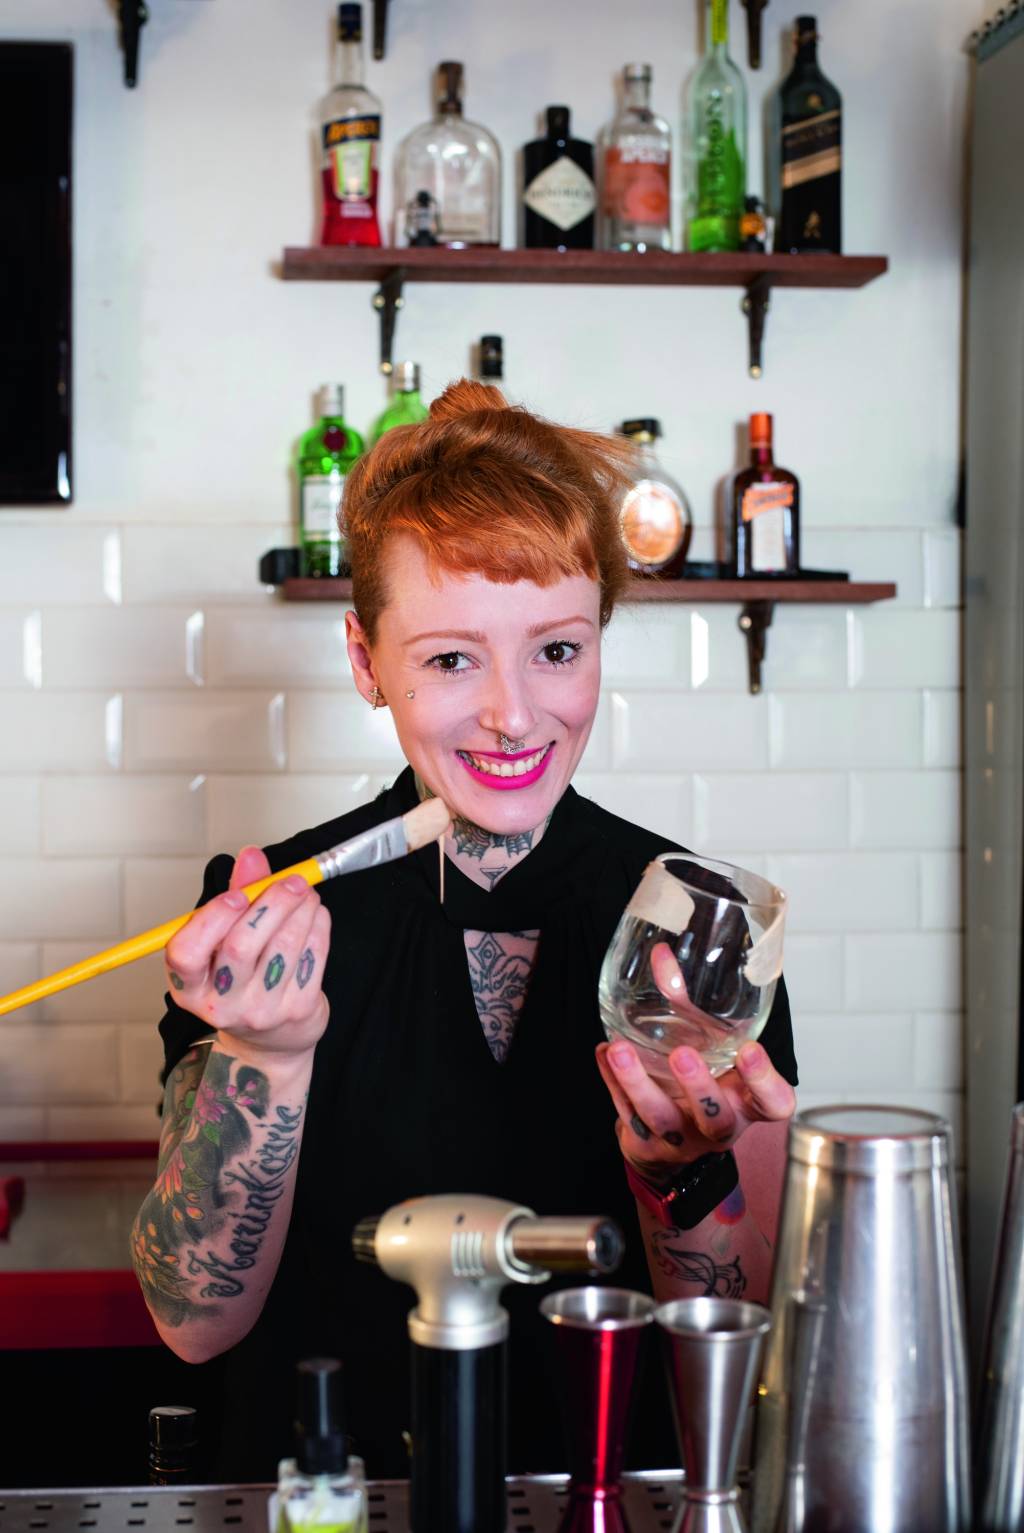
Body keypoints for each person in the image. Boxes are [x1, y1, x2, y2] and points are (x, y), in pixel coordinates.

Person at [135, 380, 798, 1481]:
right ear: (365, 661)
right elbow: (192, 1322)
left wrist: (684, 1179)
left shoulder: (700, 933)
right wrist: (265, 1054)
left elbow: (743, 1351)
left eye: (555, 650)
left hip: (604, 1492)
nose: (513, 713)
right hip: (328, 1493)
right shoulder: (264, 926)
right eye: (451, 659)